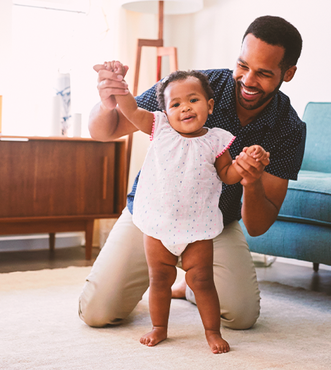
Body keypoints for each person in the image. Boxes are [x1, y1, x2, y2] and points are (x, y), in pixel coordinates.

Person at [79, 15, 305, 334]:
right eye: (243, 65)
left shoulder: (289, 129)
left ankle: (189, 286)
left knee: (241, 316)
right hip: (152, 217)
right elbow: (106, 130)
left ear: (289, 73)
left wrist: (251, 181)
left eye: (264, 73)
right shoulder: (193, 87)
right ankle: (167, 277)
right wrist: (107, 103)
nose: (248, 80)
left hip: (211, 225)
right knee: (97, 313)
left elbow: (257, 225)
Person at [95, 62, 269, 353]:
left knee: (203, 281)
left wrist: (244, 165)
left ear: (210, 105)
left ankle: (212, 332)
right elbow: (131, 110)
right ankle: (159, 327)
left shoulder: (217, 140)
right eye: (175, 104)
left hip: (197, 228)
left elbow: (227, 176)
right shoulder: (159, 126)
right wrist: (119, 87)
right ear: (165, 112)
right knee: (159, 280)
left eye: (193, 100)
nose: (185, 108)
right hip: (157, 224)